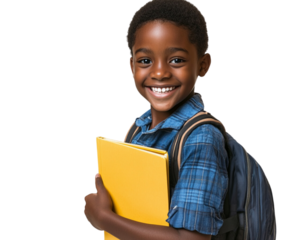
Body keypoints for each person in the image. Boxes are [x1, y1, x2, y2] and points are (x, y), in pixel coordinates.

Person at [83, 1, 225, 239]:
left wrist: (104, 219)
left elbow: (191, 238)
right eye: (145, 61)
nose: (159, 73)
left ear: (203, 64)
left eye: (177, 60)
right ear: (131, 67)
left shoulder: (201, 138)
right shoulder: (137, 129)